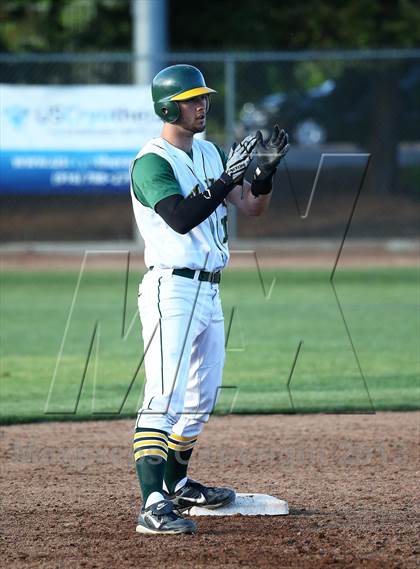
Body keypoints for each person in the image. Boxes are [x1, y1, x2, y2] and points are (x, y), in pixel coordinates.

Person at [130, 64, 289, 535]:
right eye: (192, 99)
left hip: (210, 289)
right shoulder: (152, 161)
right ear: (167, 107)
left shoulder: (210, 152)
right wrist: (226, 179)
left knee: (201, 399)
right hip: (171, 289)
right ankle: (152, 504)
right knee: (164, 396)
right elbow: (180, 217)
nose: (202, 105)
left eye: (203, 98)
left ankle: (178, 484)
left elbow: (251, 208)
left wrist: (261, 176)